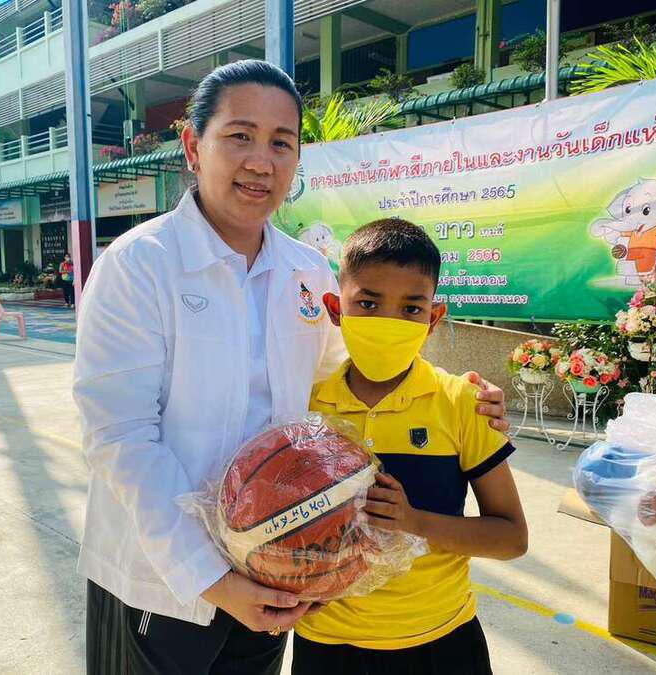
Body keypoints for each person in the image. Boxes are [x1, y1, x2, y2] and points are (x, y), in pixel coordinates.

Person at [72, 60, 510, 675]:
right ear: (193, 147)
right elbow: (120, 438)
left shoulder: (308, 270)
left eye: (282, 143)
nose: (262, 162)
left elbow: (350, 375)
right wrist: (212, 579)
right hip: (166, 580)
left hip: (282, 569)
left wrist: (460, 393)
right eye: (240, 136)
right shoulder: (139, 264)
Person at [292, 219, 529, 675]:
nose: (389, 322)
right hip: (326, 643)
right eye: (368, 303)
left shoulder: (463, 402)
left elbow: (511, 537)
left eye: (411, 308)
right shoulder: (306, 405)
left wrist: (413, 522)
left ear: (433, 318)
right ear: (335, 309)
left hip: (440, 638)